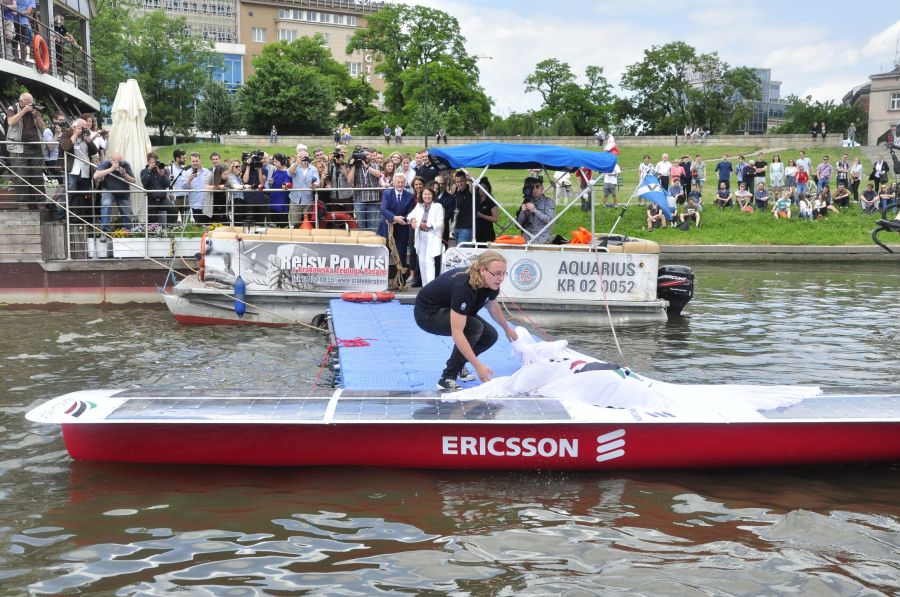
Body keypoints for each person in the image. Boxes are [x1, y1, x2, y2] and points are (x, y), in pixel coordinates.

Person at [413, 250, 518, 391]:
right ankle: (447, 378)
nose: (501, 278)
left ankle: (458, 364)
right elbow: (457, 333)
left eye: (504, 273)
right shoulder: (464, 287)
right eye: (497, 273)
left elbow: (493, 306)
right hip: (427, 313)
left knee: (490, 335)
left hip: (448, 307)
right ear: (482, 270)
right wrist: (478, 366)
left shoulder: (491, 283)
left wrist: (507, 329)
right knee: (474, 327)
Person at [5, 92, 46, 207]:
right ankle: (23, 205)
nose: (30, 105)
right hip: (18, 148)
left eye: (31, 103)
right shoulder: (12, 108)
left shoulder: (34, 110)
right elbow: (11, 122)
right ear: (21, 102)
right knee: (21, 177)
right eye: (27, 103)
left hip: (35, 147)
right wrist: (23, 111)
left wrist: (37, 116)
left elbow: (43, 127)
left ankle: (40, 203)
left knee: (37, 177)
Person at [58, 117, 98, 221]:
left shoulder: (85, 136)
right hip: (72, 169)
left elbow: (94, 151)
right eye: (81, 128)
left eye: (84, 128)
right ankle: (61, 215)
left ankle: (79, 218)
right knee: (70, 191)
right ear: (74, 127)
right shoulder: (67, 134)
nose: (83, 130)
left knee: (82, 194)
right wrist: (75, 135)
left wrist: (89, 140)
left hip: (85, 170)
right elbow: (65, 147)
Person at [406, 186, 444, 286]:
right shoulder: (419, 206)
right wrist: (412, 219)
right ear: (422, 196)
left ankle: (431, 287)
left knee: (429, 261)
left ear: (433, 195)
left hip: (432, 236)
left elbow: (439, 223)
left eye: (429, 194)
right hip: (421, 235)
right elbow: (410, 215)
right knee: (422, 261)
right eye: (425, 194)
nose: (427, 196)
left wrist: (427, 225)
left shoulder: (438, 206)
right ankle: (424, 285)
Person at [379, 173, 414, 276]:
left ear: (405, 183)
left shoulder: (410, 196)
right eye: (398, 182)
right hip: (387, 229)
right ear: (393, 183)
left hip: (402, 230)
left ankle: (400, 280)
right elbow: (383, 209)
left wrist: (399, 220)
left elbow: (411, 213)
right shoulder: (387, 193)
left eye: (402, 182)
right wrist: (394, 218)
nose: (400, 184)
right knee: (384, 254)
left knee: (401, 255)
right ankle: (382, 278)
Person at [93, 151, 136, 231]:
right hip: (109, 191)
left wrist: (125, 175)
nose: (118, 164)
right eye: (116, 162)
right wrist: (111, 169)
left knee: (127, 215)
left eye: (120, 161)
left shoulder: (125, 164)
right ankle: (105, 230)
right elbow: (96, 176)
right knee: (106, 205)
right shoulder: (105, 164)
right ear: (110, 161)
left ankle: (129, 232)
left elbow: (133, 180)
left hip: (123, 193)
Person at [347, 147, 381, 231]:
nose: (366, 156)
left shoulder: (374, 165)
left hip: (372, 199)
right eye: (364, 155)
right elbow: (349, 181)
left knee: (372, 225)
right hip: (359, 199)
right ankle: (362, 239)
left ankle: (372, 239)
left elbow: (378, 174)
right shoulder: (356, 167)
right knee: (361, 225)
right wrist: (354, 166)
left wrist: (366, 166)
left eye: (367, 154)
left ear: (370, 155)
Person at [140, 152, 176, 226]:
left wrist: (162, 175)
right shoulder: (144, 171)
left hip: (163, 199)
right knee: (152, 223)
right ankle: (153, 231)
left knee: (173, 209)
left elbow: (168, 184)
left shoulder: (164, 170)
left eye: (156, 162)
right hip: (151, 201)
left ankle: (170, 228)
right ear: (148, 162)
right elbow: (144, 182)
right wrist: (149, 170)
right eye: (153, 162)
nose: (155, 164)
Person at [516, 176, 555, 243]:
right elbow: (518, 225)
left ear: (542, 188)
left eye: (537, 187)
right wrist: (522, 212)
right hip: (526, 238)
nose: (535, 190)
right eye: (532, 187)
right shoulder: (526, 201)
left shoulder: (548, 201)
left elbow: (549, 220)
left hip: (542, 239)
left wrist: (535, 211)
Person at [287, 148, 319, 228]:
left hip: (308, 200)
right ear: (297, 157)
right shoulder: (294, 166)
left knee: (308, 224)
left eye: (305, 157)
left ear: (308, 157)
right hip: (295, 200)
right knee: (294, 224)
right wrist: (296, 163)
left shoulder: (313, 168)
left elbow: (317, 181)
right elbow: (289, 173)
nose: (303, 159)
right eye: (301, 157)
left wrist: (314, 185)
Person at [183, 152, 211, 224]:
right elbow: (184, 188)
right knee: (198, 226)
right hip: (194, 205)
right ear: (190, 161)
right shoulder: (186, 173)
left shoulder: (207, 171)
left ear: (200, 161)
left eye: (197, 161)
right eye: (193, 161)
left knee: (207, 225)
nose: (195, 163)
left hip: (206, 204)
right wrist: (189, 179)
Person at [267, 153, 291, 227]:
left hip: (282, 200)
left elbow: (287, 185)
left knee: (282, 223)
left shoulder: (287, 172)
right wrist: (271, 183)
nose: (274, 163)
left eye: (276, 161)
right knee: (274, 222)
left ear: (282, 161)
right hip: (273, 199)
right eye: (274, 161)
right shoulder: (275, 170)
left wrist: (285, 185)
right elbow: (271, 185)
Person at [474, 177, 498, 243]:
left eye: (485, 188)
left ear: (488, 189)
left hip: (487, 234)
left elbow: (495, 219)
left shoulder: (491, 201)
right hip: (475, 233)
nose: (482, 190)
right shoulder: (475, 199)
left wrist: (481, 215)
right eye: (480, 188)